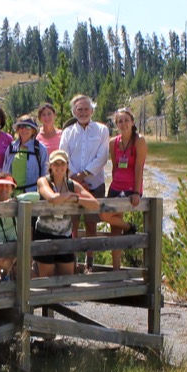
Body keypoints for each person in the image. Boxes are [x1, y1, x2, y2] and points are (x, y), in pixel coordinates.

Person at [60, 94, 110, 270]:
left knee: (91, 223)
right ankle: (72, 263)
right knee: (72, 224)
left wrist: (84, 175)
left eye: (86, 109)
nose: (83, 112)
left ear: (92, 110)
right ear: (74, 111)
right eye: (79, 109)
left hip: (95, 184)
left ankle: (90, 263)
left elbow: (102, 156)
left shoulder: (102, 130)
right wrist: (76, 178)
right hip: (72, 185)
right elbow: (63, 156)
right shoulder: (67, 132)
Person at [35, 149, 98, 278]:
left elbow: (95, 204)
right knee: (46, 278)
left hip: (65, 234)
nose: (59, 167)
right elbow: (52, 198)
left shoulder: (72, 184)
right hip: (44, 234)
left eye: (62, 163)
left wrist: (77, 199)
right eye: (55, 164)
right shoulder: (43, 181)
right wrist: (68, 195)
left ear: (67, 166)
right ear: (50, 166)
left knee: (66, 278)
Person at [101, 107, 147, 269]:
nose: (123, 124)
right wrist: (113, 187)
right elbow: (115, 167)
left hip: (130, 188)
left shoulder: (139, 141)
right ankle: (116, 269)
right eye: (120, 121)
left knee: (105, 215)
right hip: (116, 187)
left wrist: (136, 192)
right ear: (116, 124)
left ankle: (129, 227)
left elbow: (139, 168)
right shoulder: (114, 142)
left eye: (126, 120)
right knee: (113, 227)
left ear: (132, 122)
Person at [5, 115, 49, 192]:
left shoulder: (40, 148)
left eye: (28, 127)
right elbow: (5, 171)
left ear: (33, 130)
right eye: (21, 126)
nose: (24, 129)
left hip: (33, 195)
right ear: (18, 129)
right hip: (13, 194)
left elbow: (45, 173)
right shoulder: (11, 148)